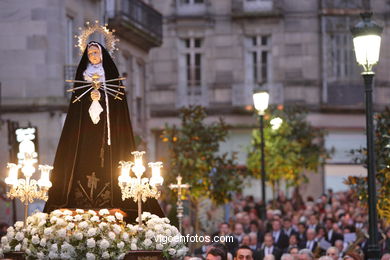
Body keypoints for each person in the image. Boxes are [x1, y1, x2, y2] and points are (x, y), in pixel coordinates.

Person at [44, 41, 164, 221]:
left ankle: (118, 201)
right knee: (82, 159)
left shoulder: (110, 77)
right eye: (90, 53)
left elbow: (118, 108)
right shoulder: (82, 77)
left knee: (110, 161)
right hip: (84, 134)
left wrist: (102, 96)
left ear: (102, 55)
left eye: (96, 52)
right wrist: (90, 99)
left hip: (108, 135)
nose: (93, 55)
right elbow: (75, 113)